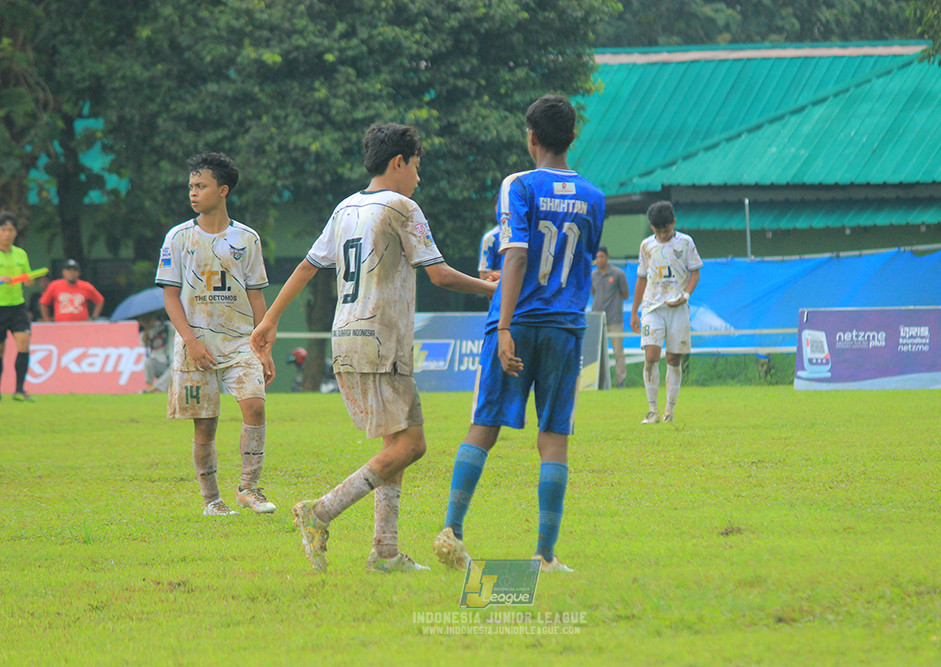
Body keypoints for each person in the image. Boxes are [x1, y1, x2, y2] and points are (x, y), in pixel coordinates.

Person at [250, 122, 495, 575]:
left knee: (394, 442)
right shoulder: (402, 206)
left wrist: (270, 319)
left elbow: (307, 268)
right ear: (398, 162)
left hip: (345, 337)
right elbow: (439, 274)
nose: (418, 179)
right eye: (417, 168)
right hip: (383, 340)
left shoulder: (346, 208)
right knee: (414, 444)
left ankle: (384, 551)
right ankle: (322, 510)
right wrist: (493, 292)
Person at [433, 94, 606, 574]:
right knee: (554, 438)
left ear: (531, 137)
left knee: (484, 426)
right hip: (565, 328)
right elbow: (583, 263)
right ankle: (545, 556)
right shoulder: (594, 196)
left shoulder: (519, 185)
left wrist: (504, 325)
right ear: (572, 138)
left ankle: (453, 531)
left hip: (516, 321)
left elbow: (516, 256)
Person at [155, 152, 277, 517]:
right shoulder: (178, 237)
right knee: (205, 425)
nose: (193, 192)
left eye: (201, 186)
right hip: (196, 344)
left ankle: (249, 488)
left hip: (240, 340)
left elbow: (256, 294)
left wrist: (264, 344)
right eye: (191, 186)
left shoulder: (247, 238)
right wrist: (190, 341)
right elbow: (170, 294)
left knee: (254, 404)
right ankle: (212, 501)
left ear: (222, 190)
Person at [630, 201, 702, 424]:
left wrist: (685, 296)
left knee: (673, 358)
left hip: (677, 307)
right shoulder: (646, 246)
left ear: (674, 223)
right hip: (652, 307)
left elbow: (695, 274)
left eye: (666, 230)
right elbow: (641, 278)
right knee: (651, 355)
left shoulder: (685, 242)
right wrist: (635, 312)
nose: (662, 235)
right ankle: (652, 410)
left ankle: (669, 410)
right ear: (651, 227)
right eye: (657, 230)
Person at [0, 211, 36, 402]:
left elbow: (28, 279)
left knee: (24, 343)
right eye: (4, 229)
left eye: (11, 230)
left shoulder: (21, 254)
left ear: (15, 233)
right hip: (0, 307)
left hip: (17, 307)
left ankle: (20, 390)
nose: (7, 233)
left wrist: (29, 281)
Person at [590, 245, 630, 388]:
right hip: (597, 319)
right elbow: (593, 292)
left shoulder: (618, 274)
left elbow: (625, 294)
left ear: (608, 256)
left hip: (614, 319)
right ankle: (597, 382)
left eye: (602, 256)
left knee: (618, 351)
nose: (599, 260)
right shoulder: (593, 275)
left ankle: (620, 382)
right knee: (596, 352)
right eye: (597, 257)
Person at [39, 259, 104, 321]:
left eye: (74, 270)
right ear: (63, 272)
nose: (71, 273)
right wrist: (47, 321)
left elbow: (100, 301)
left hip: (81, 326)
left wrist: (93, 318)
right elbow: (43, 303)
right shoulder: (54, 285)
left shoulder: (86, 286)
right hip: (61, 326)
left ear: (79, 273)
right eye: (69, 270)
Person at [137, 312, 171, 393]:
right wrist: (147, 329)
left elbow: (172, 329)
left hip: (169, 361)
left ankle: (156, 389)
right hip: (158, 363)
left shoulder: (166, 326)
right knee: (148, 361)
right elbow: (144, 343)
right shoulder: (144, 334)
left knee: (173, 368)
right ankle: (149, 386)